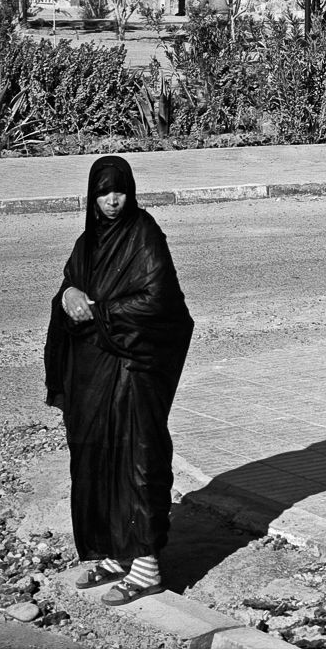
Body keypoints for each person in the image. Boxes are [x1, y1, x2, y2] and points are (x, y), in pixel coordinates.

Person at [44, 155, 194, 606]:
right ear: (91, 196)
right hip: (93, 373)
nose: (112, 201)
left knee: (137, 455)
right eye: (103, 193)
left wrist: (101, 311)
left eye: (120, 191)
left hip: (133, 368)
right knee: (94, 457)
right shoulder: (88, 241)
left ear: (131, 192)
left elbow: (160, 300)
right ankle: (112, 552)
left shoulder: (144, 233)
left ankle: (146, 564)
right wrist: (68, 294)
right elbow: (71, 285)